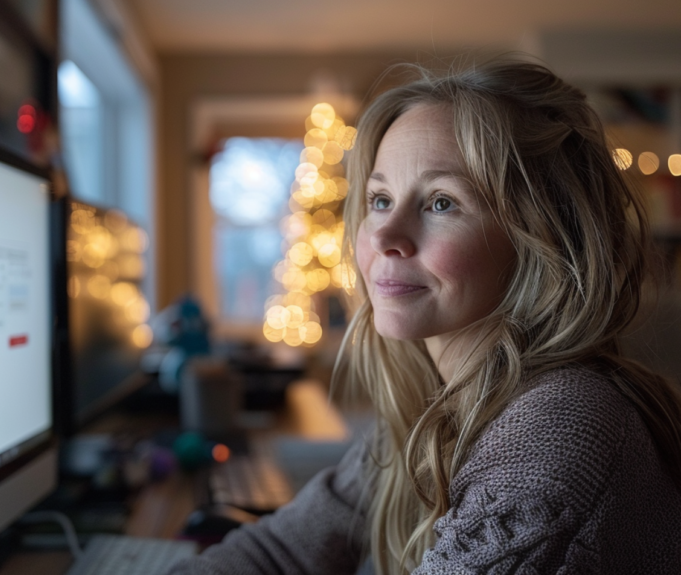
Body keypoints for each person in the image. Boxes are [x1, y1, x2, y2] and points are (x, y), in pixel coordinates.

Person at [169, 56, 681, 574]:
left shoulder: (560, 425)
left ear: (543, 238)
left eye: (441, 203)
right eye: (381, 199)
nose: (385, 237)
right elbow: (277, 553)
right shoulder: (432, 407)